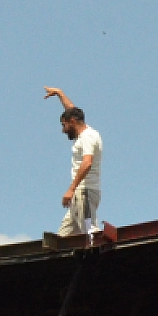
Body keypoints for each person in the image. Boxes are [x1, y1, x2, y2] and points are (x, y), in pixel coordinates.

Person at [44, 87, 102, 237]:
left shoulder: (88, 137)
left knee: (90, 232)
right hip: (79, 195)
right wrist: (59, 93)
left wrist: (71, 189)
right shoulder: (83, 131)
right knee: (62, 239)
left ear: (73, 122)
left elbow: (87, 163)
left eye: (64, 125)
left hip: (85, 192)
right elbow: (71, 110)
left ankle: (102, 250)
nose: (63, 130)